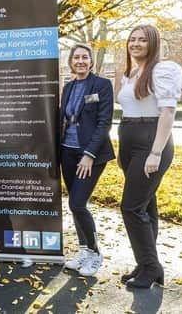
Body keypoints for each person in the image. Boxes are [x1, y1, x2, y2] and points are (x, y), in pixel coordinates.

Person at [117, 24, 182, 289]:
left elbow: (168, 113)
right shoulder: (131, 73)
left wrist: (155, 152)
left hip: (150, 142)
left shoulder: (163, 70)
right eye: (132, 39)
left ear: (153, 43)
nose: (135, 44)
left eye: (142, 40)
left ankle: (151, 266)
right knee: (146, 206)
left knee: (131, 207)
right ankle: (146, 264)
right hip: (130, 142)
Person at [59, 43, 115, 277]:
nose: (80, 61)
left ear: (91, 62)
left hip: (90, 155)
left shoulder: (102, 85)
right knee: (74, 203)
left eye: (85, 57)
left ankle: (95, 252)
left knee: (77, 203)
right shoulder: (68, 87)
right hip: (67, 152)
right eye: (76, 57)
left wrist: (89, 155)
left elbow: (104, 123)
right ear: (71, 62)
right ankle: (83, 251)